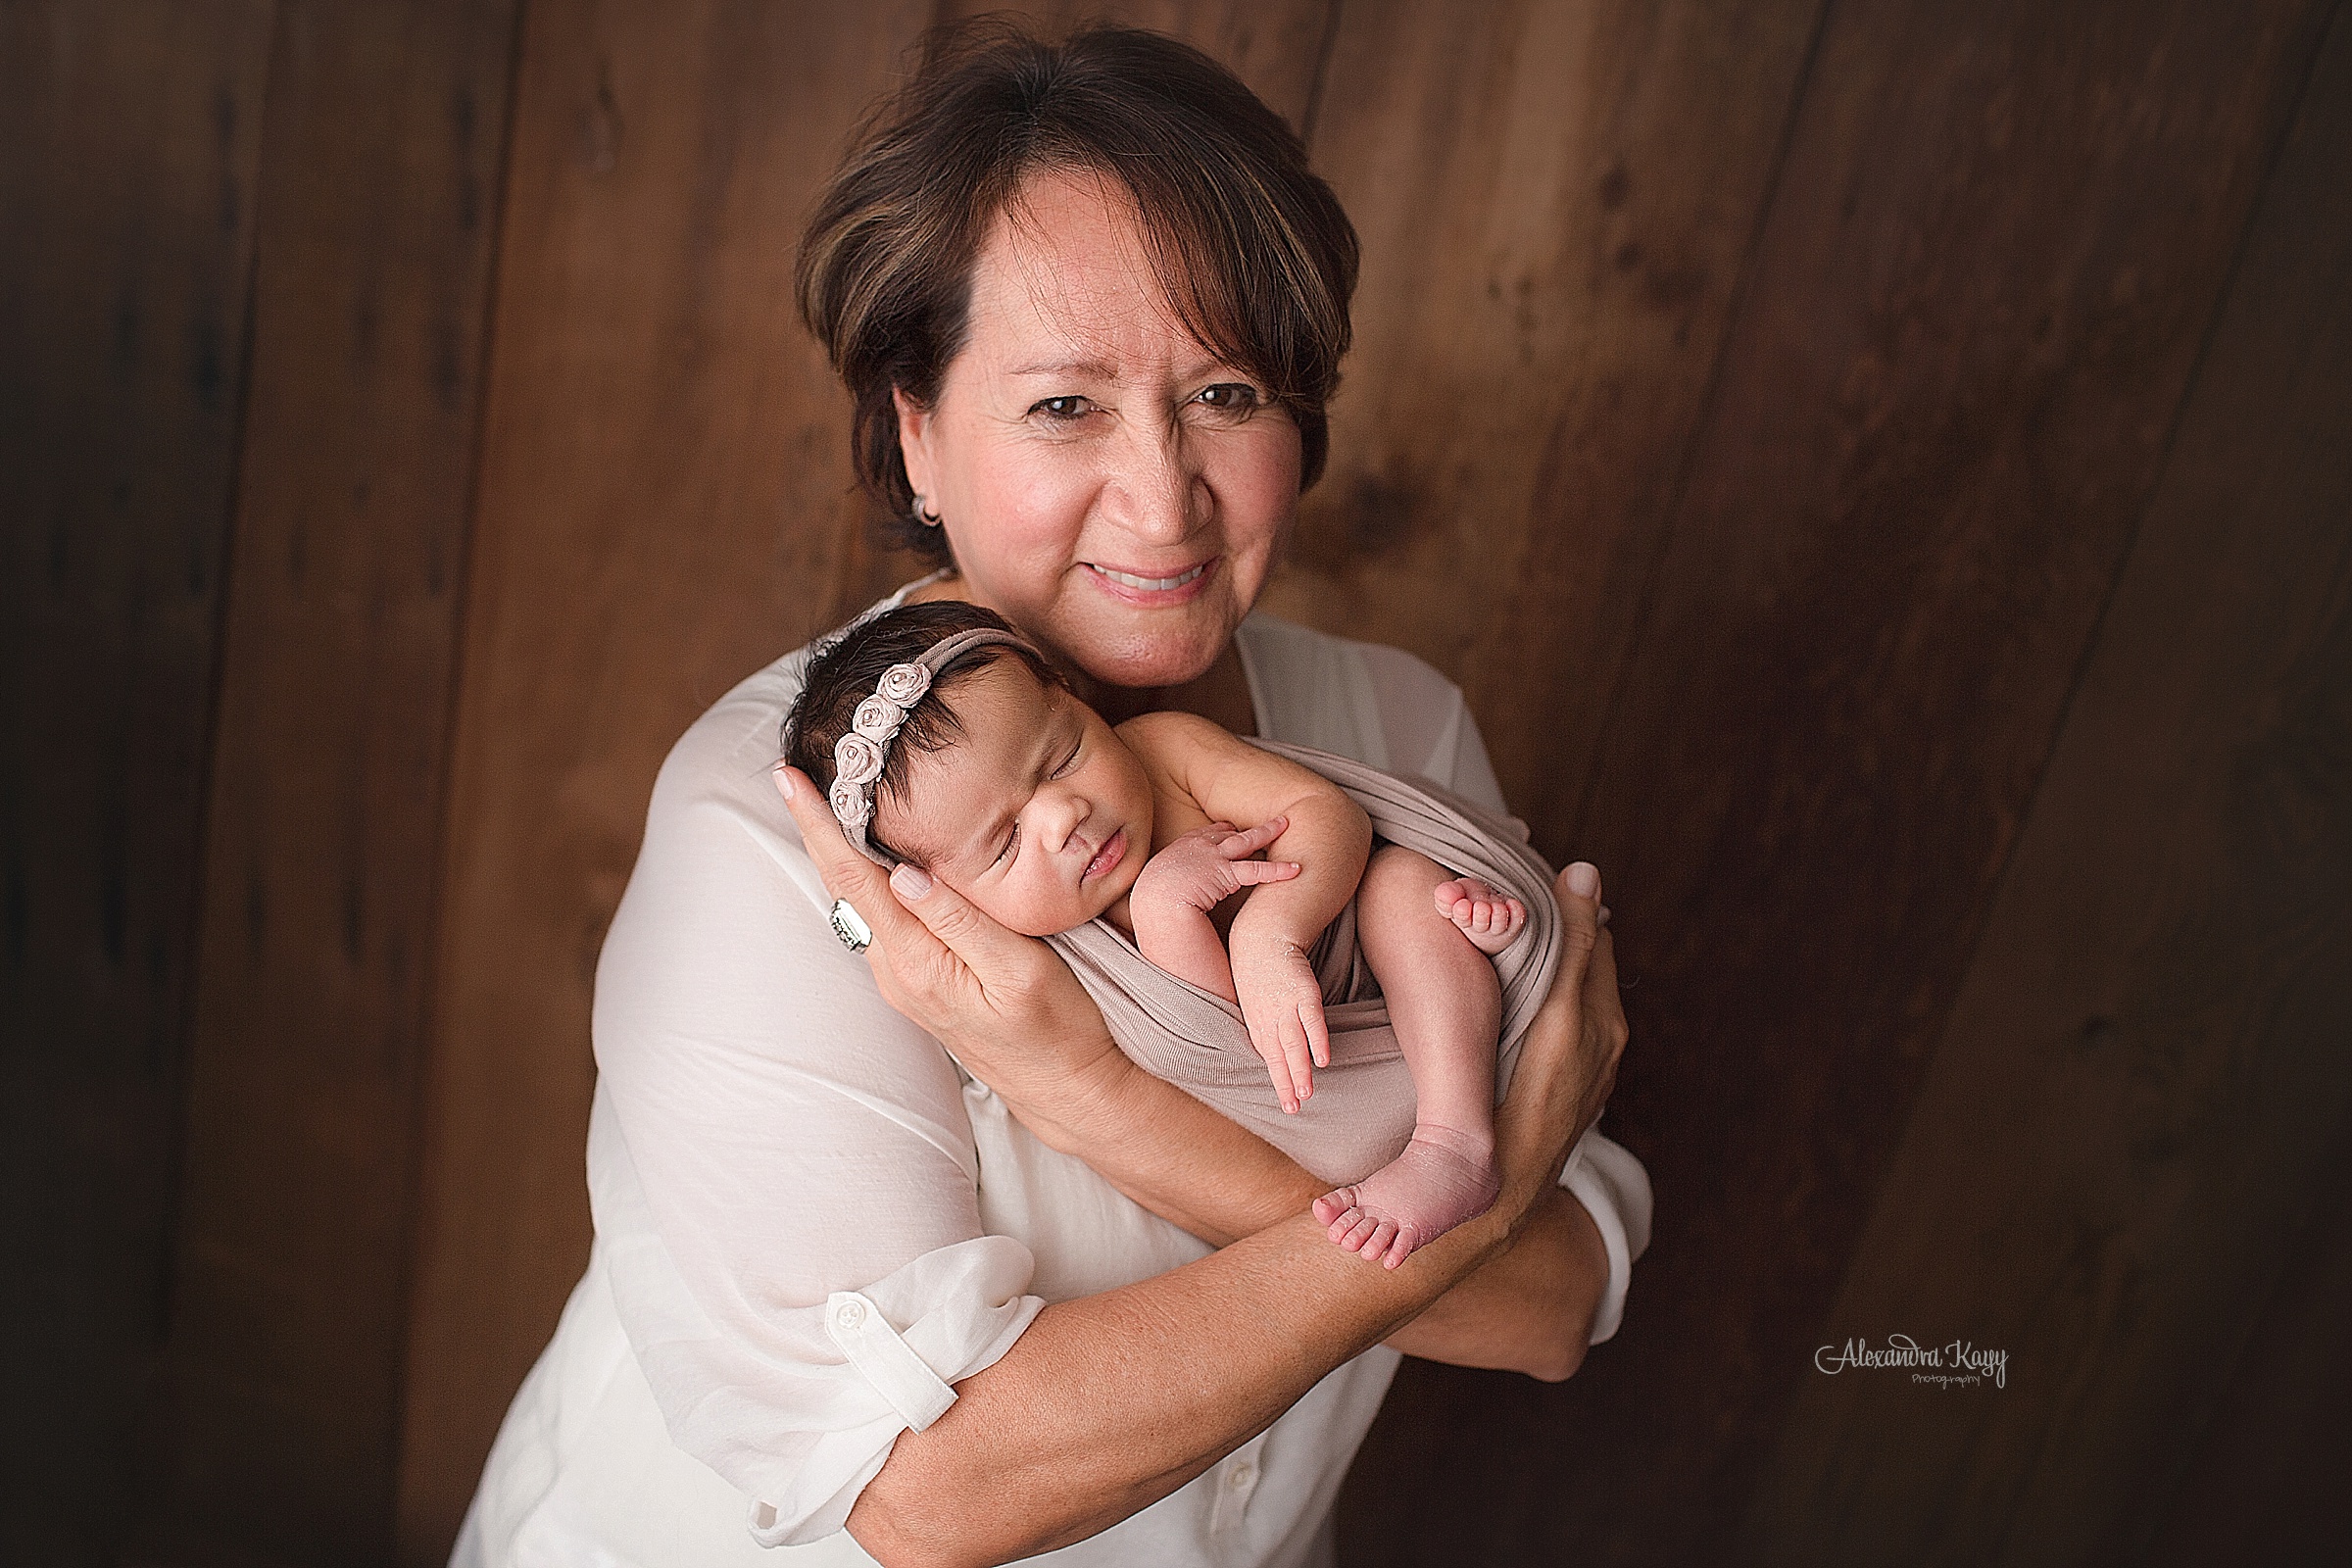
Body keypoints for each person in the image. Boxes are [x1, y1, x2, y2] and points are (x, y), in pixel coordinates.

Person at [455, 21, 1649, 1567]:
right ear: (916, 430)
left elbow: (1556, 1313)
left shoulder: (1396, 726)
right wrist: (1467, 1210)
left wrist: (1123, 1108)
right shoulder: (773, 835)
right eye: (1064, 407)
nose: (1163, 505)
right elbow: (935, 1489)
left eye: (1226, 394)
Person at [781, 599, 1541, 1269]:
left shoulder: (1167, 752)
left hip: (1376, 959)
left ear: (1074, 700)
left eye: (1061, 758)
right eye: (1005, 844)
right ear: (946, 893)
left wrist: (1270, 933)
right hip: (1316, 1089)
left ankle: (1454, 1144)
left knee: (1403, 888)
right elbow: (1227, 1054)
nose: (1061, 817)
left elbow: (1326, 815)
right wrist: (1168, 914)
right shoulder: (1043, 956)